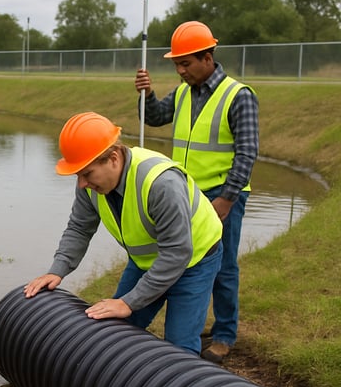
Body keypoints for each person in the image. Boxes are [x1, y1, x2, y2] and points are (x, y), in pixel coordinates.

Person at [24, 112, 224, 355]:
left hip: (195, 260)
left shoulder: (161, 184)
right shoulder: (90, 188)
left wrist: (129, 302)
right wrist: (57, 270)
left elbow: (177, 253)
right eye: (78, 175)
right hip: (147, 262)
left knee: (178, 348)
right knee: (113, 330)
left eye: (87, 173)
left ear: (114, 158)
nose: (81, 184)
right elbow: (79, 228)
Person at [134, 21, 260, 364]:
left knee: (223, 263)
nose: (180, 70)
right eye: (176, 64)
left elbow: (247, 152)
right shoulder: (185, 92)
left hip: (223, 193)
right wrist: (147, 95)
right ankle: (191, 321)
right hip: (187, 192)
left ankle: (223, 334)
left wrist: (226, 199)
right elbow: (157, 117)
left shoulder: (239, 96)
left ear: (207, 57)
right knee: (187, 257)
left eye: (186, 63)